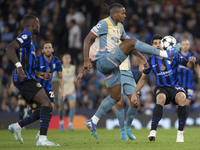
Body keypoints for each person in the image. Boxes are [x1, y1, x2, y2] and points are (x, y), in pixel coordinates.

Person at [80, 3, 180, 139]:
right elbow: (87, 39)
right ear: (115, 14)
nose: (125, 15)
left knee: (115, 97)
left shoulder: (120, 27)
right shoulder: (104, 23)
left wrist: (142, 60)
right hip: (104, 60)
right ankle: (165, 54)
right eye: (123, 13)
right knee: (133, 41)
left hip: (113, 65)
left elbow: (130, 46)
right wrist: (86, 59)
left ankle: (93, 121)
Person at [6, 14, 59, 146]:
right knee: (47, 103)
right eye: (38, 23)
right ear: (31, 25)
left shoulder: (31, 42)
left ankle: (18, 126)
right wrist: (18, 67)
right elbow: (10, 48)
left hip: (28, 77)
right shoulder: (26, 36)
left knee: (47, 107)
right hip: (24, 78)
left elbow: (28, 64)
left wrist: (39, 74)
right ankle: (42, 139)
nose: (39, 26)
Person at [131, 35, 196, 142]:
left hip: (175, 87)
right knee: (160, 98)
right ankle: (152, 132)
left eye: (159, 43)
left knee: (182, 98)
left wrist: (192, 63)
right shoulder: (150, 61)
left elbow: (189, 66)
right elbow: (143, 79)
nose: (157, 45)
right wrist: (135, 92)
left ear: (164, 44)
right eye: (155, 43)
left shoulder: (174, 56)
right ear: (151, 46)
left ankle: (180, 134)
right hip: (161, 87)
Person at [33, 41, 64, 137]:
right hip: (38, 87)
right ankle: (28, 115)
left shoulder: (57, 61)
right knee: (43, 108)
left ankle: (41, 132)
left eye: (49, 47)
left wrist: (62, 90)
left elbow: (60, 77)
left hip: (48, 87)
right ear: (42, 50)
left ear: (52, 49)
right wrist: (39, 74)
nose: (48, 49)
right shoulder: (38, 60)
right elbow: (30, 71)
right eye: (45, 48)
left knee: (51, 108)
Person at [113, 56, 139, 140]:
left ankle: (127, 127)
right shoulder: (108, 43)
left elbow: (134, 52)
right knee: (119, 103)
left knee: (135, 102)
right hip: (115, 73)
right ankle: (122, 131)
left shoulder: (127, 42)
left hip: (127, 73)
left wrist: (141, 61)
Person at [177, 38, 200, 106]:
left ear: (189, 46)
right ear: (180, 46)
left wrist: (199, 77)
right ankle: (180, 116)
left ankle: (182, 116)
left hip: (189, 85)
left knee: (186, 104)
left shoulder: (193, 56)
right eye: (183, 44)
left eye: (187, 44)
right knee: (179, 104)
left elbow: (197, 67)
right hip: (178, 85)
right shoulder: (176, 56)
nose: (185, 46)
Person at [58, 54, 76, 131]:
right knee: (61, 108)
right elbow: (55, 77)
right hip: (62, 91)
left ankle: (70, 124)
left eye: (68, 57)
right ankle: (61, 123)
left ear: (70, 59)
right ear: (62, 59)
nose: (67, 59)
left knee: (72, 106)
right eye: (65, 57)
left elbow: (74, 76)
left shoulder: (73, 68)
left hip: (71, 89)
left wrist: (76, 79)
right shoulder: (59, 67)